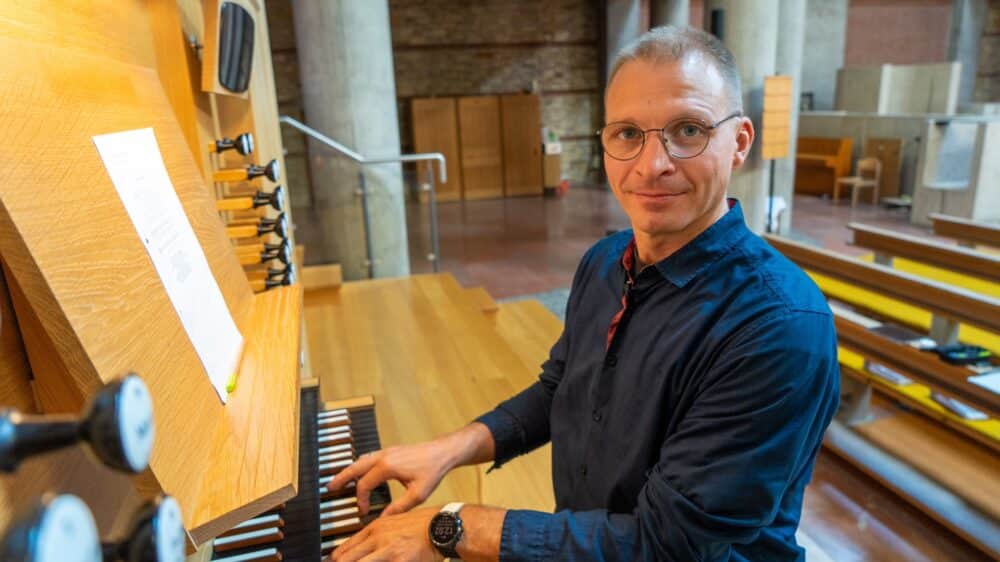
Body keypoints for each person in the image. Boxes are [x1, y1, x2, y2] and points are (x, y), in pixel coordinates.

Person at [326, 25, 839, 562]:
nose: (651, 164)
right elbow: (562, 390)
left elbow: (667, 545)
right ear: (604, 143)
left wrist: (454, 526)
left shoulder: (779, 327)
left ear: (739, 143)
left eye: (688, 130)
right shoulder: (603, 262)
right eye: (627, 134)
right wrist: (451, 448)